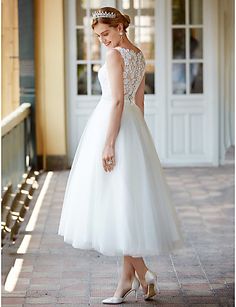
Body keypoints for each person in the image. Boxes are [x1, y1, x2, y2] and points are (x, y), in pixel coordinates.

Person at [58, 6, 185, 304]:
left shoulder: (116, 56)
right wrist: (140, 138)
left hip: (113, 127)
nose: (102, 41)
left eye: (105, 34)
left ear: (119, 27)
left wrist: (109, 143)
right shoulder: (139, 55)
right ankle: (127, 280)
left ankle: (143, 273)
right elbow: (139, 105)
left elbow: (117, 101)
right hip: (133, 128)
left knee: (116, 202)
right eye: (98, 36)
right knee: (124, 204)